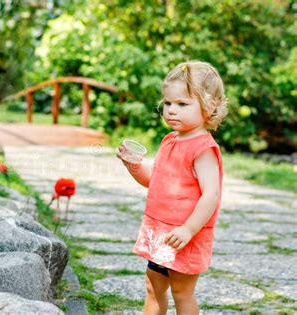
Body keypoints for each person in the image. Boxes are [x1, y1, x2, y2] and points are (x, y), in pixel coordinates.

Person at [117, 61, 228, 314]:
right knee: (152, 287)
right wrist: (133, 166)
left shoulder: (203, 149)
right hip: (161, 230)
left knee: (181, 292)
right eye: (167, 103)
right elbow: (153, 180)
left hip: (184, 235)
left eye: (182, 104)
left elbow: (211, 195)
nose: (171, 111)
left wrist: (188, 229)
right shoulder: (170, 140)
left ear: (208, 107)